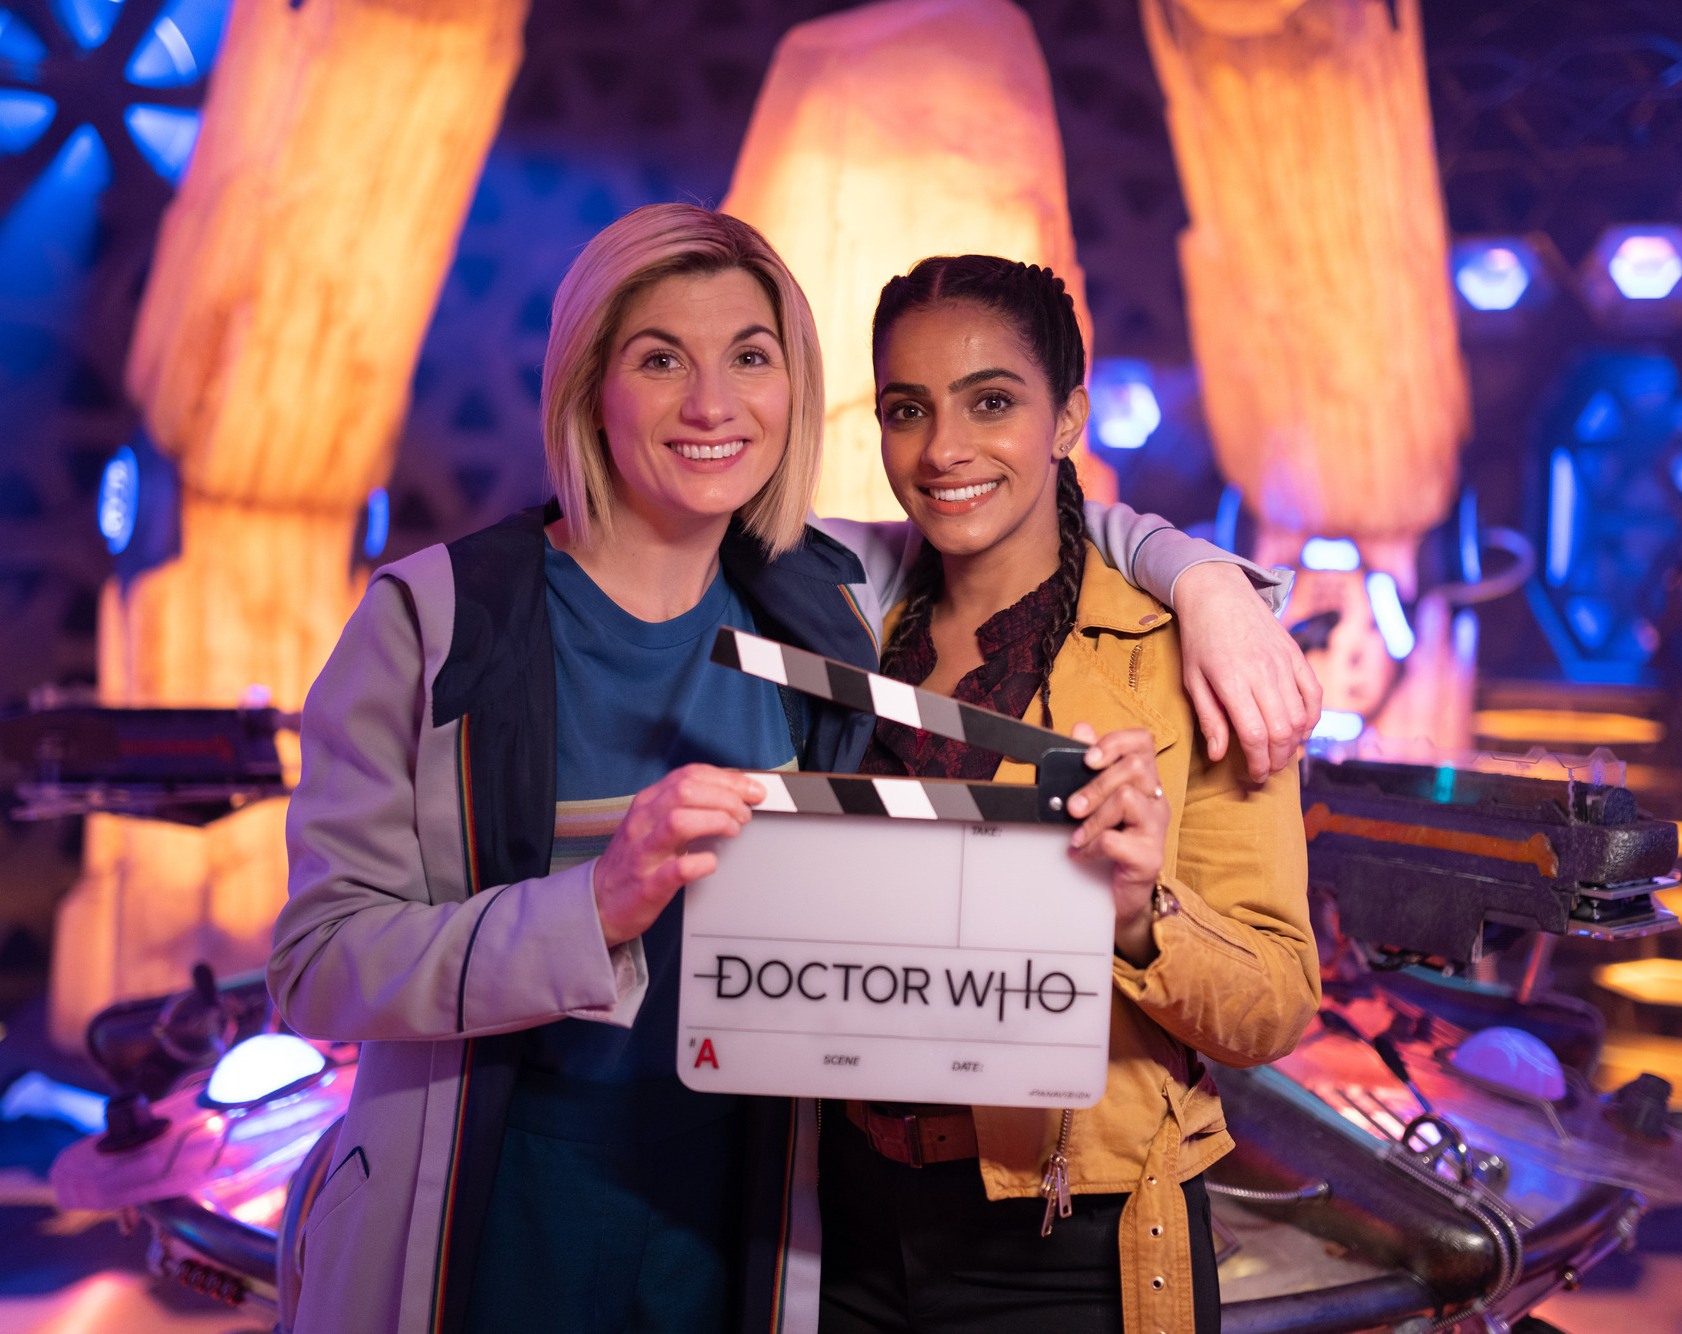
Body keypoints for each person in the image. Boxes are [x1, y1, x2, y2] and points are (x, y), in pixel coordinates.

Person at [268, 205, 1314, 1334]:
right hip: (498, 1194)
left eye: (750, 357)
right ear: (587, 385)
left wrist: (1205, 581)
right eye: (659, 358)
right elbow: (315, 961)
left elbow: (1025, 510)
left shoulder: (826, 590)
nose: (711, 405)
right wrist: (593, 903)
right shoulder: (434, 622)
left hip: (752, 1211)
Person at [814, 256, 1321, 1334]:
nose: (943, 449)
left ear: (1068, 420)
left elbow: (1275, 1001)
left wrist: (1140, 914)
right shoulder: (842, 626)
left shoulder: (1187, 657)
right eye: (907, 409)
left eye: (991, 401)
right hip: (843, 1215)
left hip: (1070, 1232)